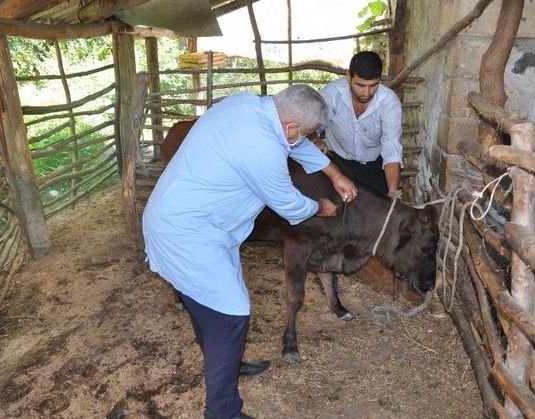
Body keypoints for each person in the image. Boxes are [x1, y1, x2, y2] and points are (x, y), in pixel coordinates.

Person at [142, 84, 357, 419]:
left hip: (193, 220)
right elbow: (290, 205)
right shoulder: (262, 149)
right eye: (309, 133)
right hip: (188, 233)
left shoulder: (248, 105)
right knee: (231, 314)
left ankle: (224, 363)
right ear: (290, 127)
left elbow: (294, 145)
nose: (312, 139)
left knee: (206, 304)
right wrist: (321, 207)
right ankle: (223, 411)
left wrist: (334, 172)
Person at [314, 50, 403, 197]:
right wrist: (314, 138)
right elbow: (313, 125)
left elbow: (391, 150)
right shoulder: (332, 94)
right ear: (348, 76)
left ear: (380, 79)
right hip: (336, 161)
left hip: (372, 166)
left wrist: (393, 191)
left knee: (377, 213)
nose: (367, 93)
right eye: (360, 85)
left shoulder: (389, 103)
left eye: (373, 85)